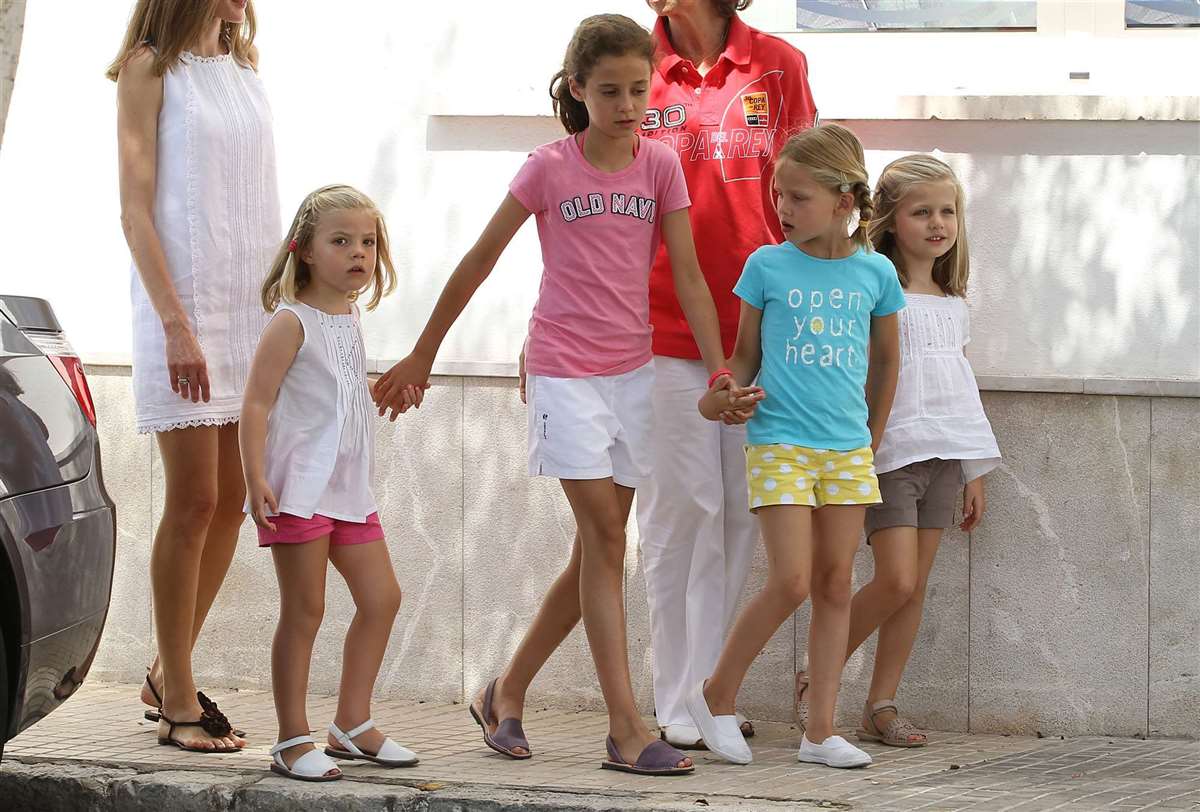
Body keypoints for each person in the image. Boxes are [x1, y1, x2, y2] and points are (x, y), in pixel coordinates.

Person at [374, 14, 754, 776]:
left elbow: (687, 275)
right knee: (608, 543)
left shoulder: (660, 169)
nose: (625, 105)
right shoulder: (548, 168)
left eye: (638, 90)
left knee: (597, 548)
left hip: (632, 377)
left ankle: (505, 690)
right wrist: (422, 351)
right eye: (609, 90)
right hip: (563, 373)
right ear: (578, 89)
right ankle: (624, 727)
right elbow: (480, 260)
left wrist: (719, 371)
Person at [689, 123, 903, 769]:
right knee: (792, 580)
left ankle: (819, 733)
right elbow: (744, 354)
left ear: (845, 202)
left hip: (845, 448)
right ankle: (716, 694)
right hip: (779, 438)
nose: (782, 208)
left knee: (837, 583)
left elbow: (888, 362)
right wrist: (724, 393)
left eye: (798, 197)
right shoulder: (766, 266)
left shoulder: (877, 273)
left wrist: (873, 434)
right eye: (779, 194)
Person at [636, 0, 818, 748]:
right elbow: (594, 204)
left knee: (743, 514)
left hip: (759, 336)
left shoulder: (779, 64)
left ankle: (714, 694)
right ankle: (674, 697)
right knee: (682, 513)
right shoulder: (630, 65)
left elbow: (809, 190)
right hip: (658, 330)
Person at [109, 0, 279, 752]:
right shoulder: (150, 66)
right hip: (182, 307)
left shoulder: (243, 70)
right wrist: (176, 322)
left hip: (249, 309)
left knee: (236, 499)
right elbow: (136, 213)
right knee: (195, 498)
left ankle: (163, 669)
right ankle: (177, 692)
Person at [241, 185, 419, 781]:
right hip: (298, 487)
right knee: (305, 609)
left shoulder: (349, 315)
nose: (358, 253)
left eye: (367, 242)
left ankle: (351, 723)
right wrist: (254, 478)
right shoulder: (292, 321)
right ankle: (292, 739)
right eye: (340, 241)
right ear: (307, 250)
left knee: (382, 598)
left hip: (348, 489)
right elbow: (256, 406)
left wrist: (379, 392)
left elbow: (332, 393)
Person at [831, 154, 1000, 748]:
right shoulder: (876, 287)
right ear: (890, 220)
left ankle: (881, 705)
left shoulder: (955, 301)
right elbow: (864, 371)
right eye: (922, 211)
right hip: (891, 453)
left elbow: (959, 386)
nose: (938, 223)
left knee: (915, 587)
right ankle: (819, 671)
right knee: (896, 580)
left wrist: (974, 469)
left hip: (946, 457)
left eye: (948, 211)